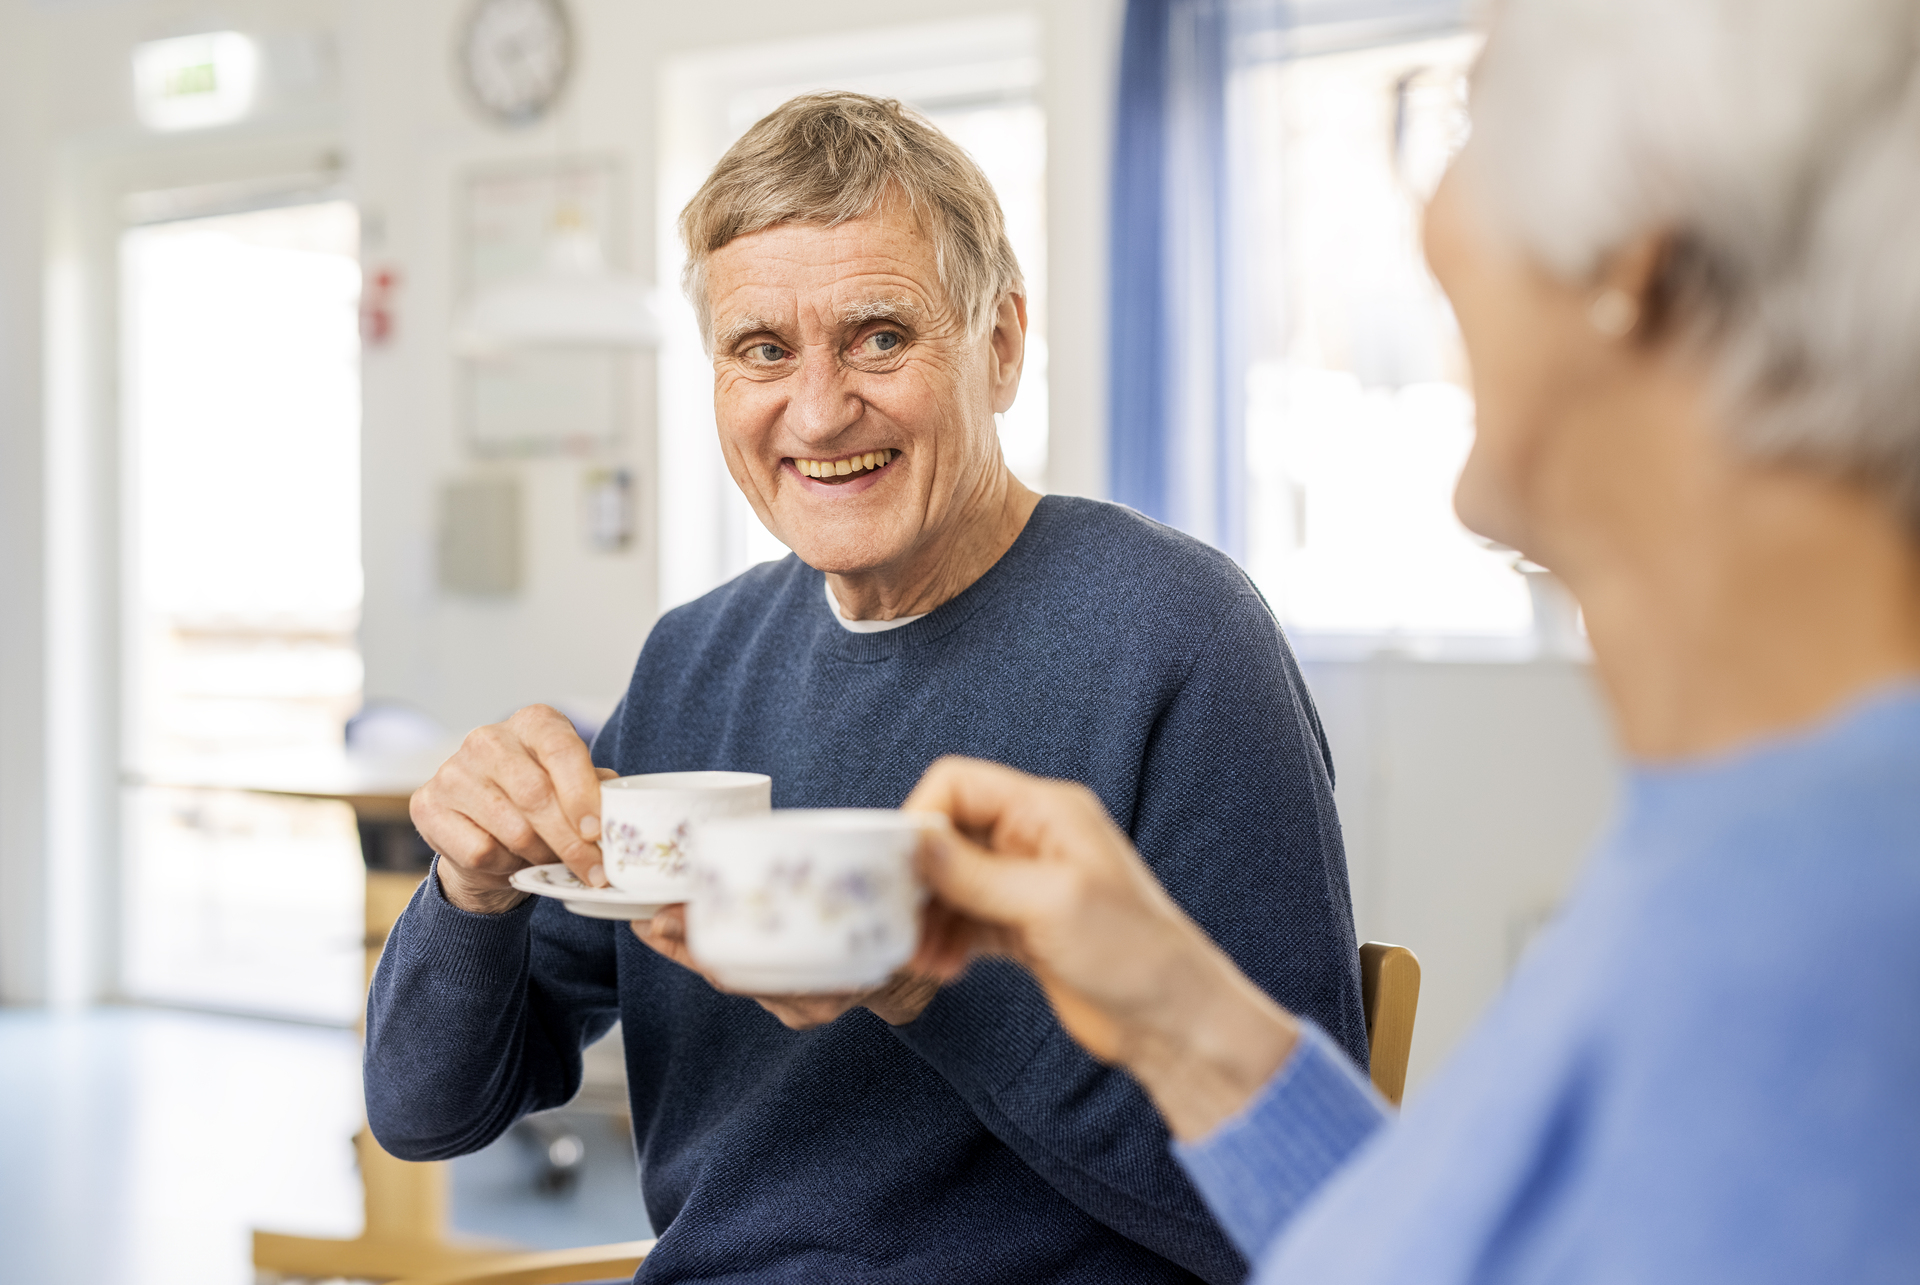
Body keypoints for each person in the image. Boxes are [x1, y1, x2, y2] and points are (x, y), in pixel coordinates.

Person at [899, 1, 1920, 1281]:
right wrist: (1174, 1011)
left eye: (1464, 134)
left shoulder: (1827, 940)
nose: (1428, 221)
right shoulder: (1740, 833)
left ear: (1637, 265)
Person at [365, 93, 1366, 1284]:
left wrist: (919, 986)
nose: (821, 409)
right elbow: (427, 1115)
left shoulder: (1179, 639)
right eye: (763, 350)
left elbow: (1312, 1219)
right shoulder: (693, 660)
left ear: (1000, 345)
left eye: (881, 336)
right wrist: (468, 894)